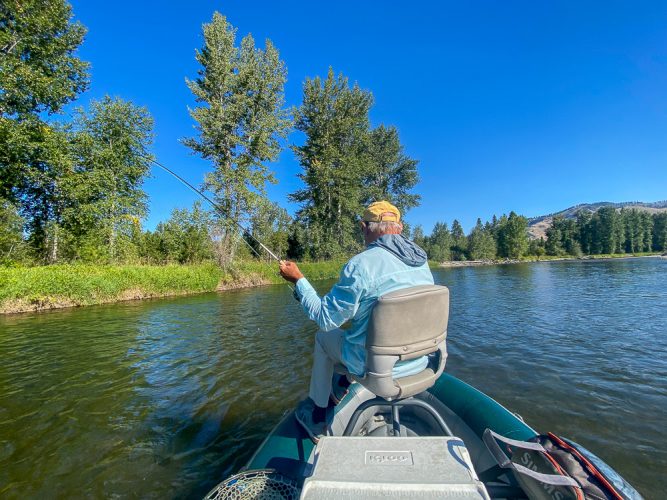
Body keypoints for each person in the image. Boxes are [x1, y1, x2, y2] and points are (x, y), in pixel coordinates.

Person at [279, 200, 435, 442]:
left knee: (323, 338)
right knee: (361, 333)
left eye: (362, 228)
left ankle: (319, 418)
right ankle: (342, 383)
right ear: (399, 227)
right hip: (419, 363)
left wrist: (299, 280)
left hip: (376, 368)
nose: (362, 233)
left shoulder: (361, 265)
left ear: (365, 227)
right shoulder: (422, 262)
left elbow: (326, 319)